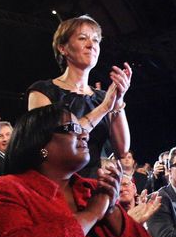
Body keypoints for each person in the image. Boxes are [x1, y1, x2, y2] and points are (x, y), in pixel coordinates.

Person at [0, 103, 152, 237]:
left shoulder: (93, 189)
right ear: (41, 143)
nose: (85, 134)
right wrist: (90, 214)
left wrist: (111, 210)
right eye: (73, 128)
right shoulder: (5, 189)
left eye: (82, 129)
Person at [28, 15, 132, 178]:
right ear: (63, 48)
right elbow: (58, 143)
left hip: (93, 185)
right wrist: (104, 107)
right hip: (56, 183)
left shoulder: (103, 97)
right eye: (83, 38)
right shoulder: (43, 91)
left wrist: (118, 101)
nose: (91, 45)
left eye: (96, 40)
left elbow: (122, 151)